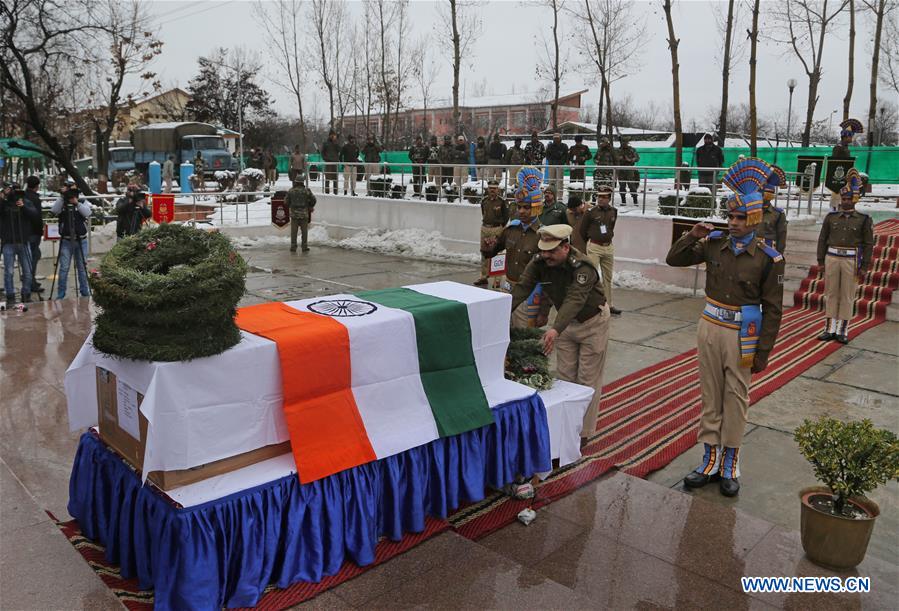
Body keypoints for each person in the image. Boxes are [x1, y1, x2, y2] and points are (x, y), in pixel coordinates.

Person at [666, 158, 785, 497]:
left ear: (754, 219)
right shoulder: (714, 243)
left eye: (739, 217)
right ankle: (709, 459)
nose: (732, 223)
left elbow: (774, 309)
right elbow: (674, 259)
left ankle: (731, 462)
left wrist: (763, 351)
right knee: (710, 394)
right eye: (730, 216)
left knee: (736, 397)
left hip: (743, 332)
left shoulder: (769, 258)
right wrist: (692, 235)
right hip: (710, 325)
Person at [511, 223, 610, 444]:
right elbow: (522, 289)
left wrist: (555, 329)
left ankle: (582, 433)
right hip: (565, 325)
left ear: (566, 247)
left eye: (552, 250)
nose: (546, 255)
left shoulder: (583, 267)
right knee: (565, 376)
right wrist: (498, 310)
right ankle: (565, 424)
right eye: (543, 249)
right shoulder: (539, 262)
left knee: (587, 379)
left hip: (592, 322)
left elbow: (575, 299)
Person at [482, 167, 545, 327]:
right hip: (507, 288)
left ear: (536, 208)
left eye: (527, 207)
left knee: (524, 336)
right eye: (519, 207)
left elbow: (549, 276)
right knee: (502, 331)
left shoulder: (543, 235)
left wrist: (544, 309)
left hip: (528, 294)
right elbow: (492, 252)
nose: (522, 211)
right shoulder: (511, 229)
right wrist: (488, 246)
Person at [815, 172, 873, 344]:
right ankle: (829, 327)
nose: (846, 202)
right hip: (831, 257)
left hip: (851, 260)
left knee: (847, 294)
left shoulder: (863, 220)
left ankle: (843, 329)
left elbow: (868, 244)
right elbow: (822, 239)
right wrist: (820, 261)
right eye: (843, 199)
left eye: (849, 199)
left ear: (854, 199)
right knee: (831, 293)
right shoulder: (831, 218)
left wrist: (864, 265)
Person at [579, 184, 621, 316]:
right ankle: (589, 303)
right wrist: (590, 242)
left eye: (604, 197)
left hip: (608, 247)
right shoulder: (591, 212)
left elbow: (611, 227)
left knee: (607, 277)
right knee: (591, 275)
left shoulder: (613, 211)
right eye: (599, 197)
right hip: (594, 246)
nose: (600, 199)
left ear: (609, 198)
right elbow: (582, 230)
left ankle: (609, 304)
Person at [51, 188, 92, 299]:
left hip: (81, 240)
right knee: (64, 268)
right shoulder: (62, 205)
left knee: (82, 267)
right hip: (66, 241)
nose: (72, 198)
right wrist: (61, 196)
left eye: (74, 196)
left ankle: (85, 292)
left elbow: (88, 213)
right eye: (70, 196)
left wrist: (77, 203)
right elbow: (54, 211)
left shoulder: (81, 203)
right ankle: (61, 294)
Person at [1, 187, 38, 307]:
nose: (16, 195)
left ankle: (26, 294)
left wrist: (23, 207)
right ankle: (10, 296)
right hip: (8, 242)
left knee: (27, 271)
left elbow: (34, 214)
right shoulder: (4, 204)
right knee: (9, 272)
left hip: (24, 241)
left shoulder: (25, 202)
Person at [474, 179, 509, 287]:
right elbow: (483, 213)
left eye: (494, 188)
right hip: (485, 228)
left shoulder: (502, 202)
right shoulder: (484, 201)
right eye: (490, 188)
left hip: (496, 229)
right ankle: (484, 276)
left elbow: (506, 217)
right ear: (487, 189)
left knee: (496, 253)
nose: (492, 190)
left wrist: (500, 229)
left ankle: (497, 279)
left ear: (498, 189)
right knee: (484, 253)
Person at [759, 165, 788, 253]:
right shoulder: (748, 211)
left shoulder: (777, 214)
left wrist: (779, 256)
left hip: (768, 251)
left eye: (767, 196)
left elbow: (781, 237)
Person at [23, 176, 44, 294]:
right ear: (37, 186)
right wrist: (39, 231)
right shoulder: (35, 199)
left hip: (25, 232)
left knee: (29, 257)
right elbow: (37, 217)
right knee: (33, 257)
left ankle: (29, 280)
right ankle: (31, 282)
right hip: (33, 233)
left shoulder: (23, 196)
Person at [287, 175, 316, 253]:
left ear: (296, 182)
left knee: (294, 232)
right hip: (304, 214)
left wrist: (291, 205)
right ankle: (304, 247)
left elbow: (286, 202)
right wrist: (310, 206)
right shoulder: (307, 191)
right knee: (304, 232)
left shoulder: (291, 191)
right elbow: (314, 200)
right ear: (302, 182)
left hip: (294, 215)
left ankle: (293, 247)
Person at [617, 137, 640, 205]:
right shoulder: (618, 150)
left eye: (625, 142)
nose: (624, 143)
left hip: (629, 168)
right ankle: (623, 201)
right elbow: (614, 158)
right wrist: (619, 158)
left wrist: (630, 160)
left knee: (632, 185)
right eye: (622, 142)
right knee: (622, 186)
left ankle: (635, 201)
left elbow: (637, 158)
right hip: (621, 169)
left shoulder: (632, 149)